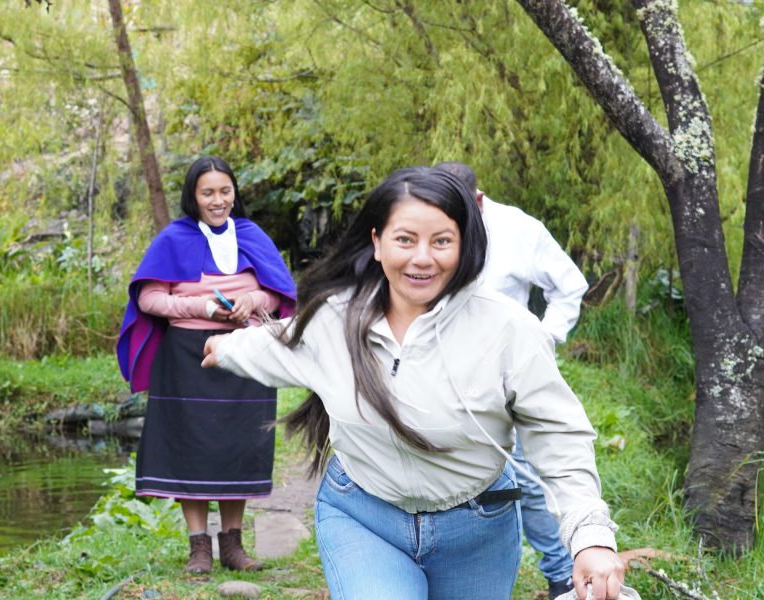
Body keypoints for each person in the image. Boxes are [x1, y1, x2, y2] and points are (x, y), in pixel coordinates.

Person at [201, 166, 625, 599]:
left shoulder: (509, 328)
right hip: (363, 518)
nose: (422, 257)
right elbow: (275, 343)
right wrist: (224, 347)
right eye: (405, 239)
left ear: (464, 246)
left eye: (442, 241)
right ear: (377, 242)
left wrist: (589, 535)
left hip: (476, 527)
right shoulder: (334, 320)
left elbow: (558, 433)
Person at [116, 156, 296, 574]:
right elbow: (149, 298)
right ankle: (199, 547)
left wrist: (253, 301)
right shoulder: (174, 238)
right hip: (186, 356)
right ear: (193, 197)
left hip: (245, 353)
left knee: (240, 443)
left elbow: (279, 293)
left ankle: (232, 546)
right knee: (189, 446)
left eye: (225, 191)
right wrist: (202, 306)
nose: (218, 200)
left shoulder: (251, 234)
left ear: (234, 192)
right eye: (208, 193)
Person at [434, 161, 588, 599]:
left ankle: (561, 576)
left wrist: (543, 337)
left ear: (478, 201)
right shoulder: (427, 225)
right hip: (436, 372)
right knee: (449, 472)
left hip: (503, 376)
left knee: (525, 476)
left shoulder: (519, 229)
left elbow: (570, 286)